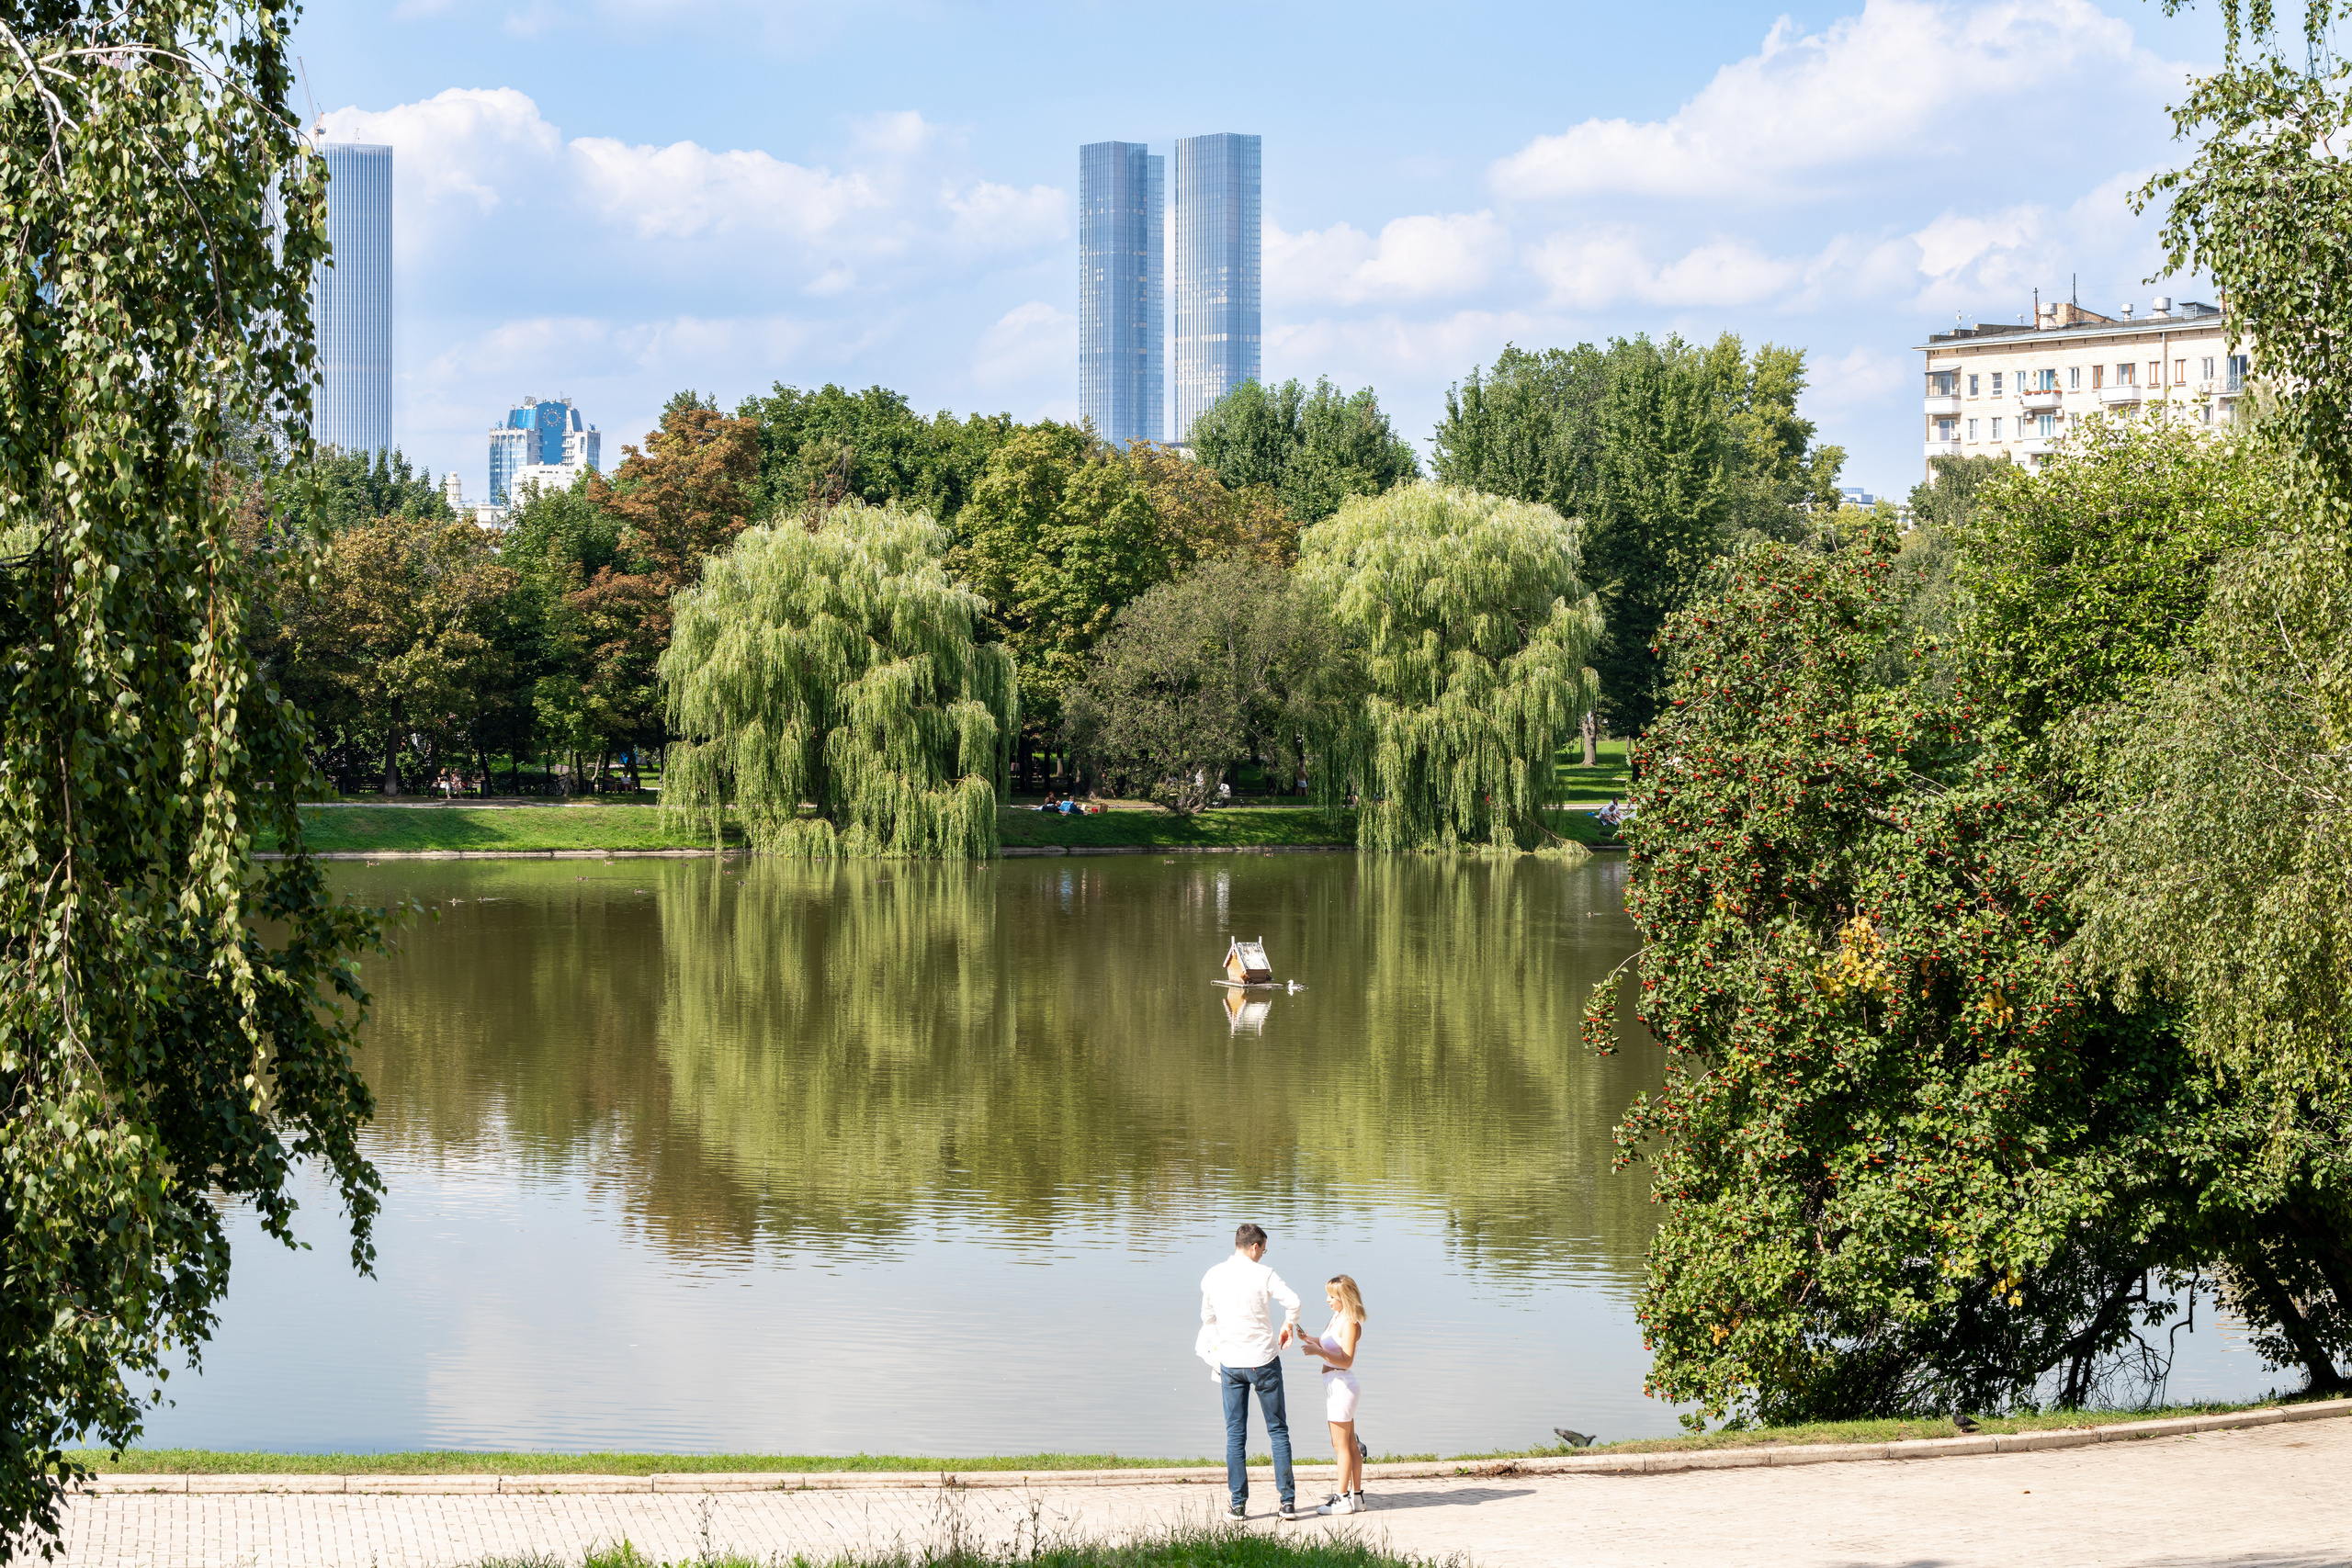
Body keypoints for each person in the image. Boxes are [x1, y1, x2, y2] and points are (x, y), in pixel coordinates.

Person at [1201, 1222, 1301, 1522]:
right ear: (1255, 1246)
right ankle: (1287, 1503)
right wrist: (1287, 1325)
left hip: (1231, 1363)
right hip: (1264, 1360)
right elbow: (1294, 1302)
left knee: (1235, 1434)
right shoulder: (1264, 1273)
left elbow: (1208, 1318)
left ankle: (1239, 1504)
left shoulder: (1214, 1275)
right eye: (1263, 1249)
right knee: (1278, 1431)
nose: (1262, 1254)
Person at [1298, 1275, 1367, 1514]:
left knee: (1340, 1445)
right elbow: (1329, 1343)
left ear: (1344, 1297)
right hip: (1336, 1384)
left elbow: (1346, 1360)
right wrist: (1309, 1339)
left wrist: (1318, 1352)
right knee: (1349, 1443)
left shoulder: (1349, 1322)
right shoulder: (1338, 1318)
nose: (1328, 1300)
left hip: (1341, 1383)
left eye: (1332, 1296)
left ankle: (1341, 1499)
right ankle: (1356, 1497)